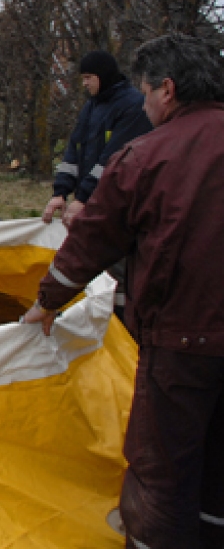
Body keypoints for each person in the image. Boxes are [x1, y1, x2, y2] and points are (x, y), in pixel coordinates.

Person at [23, 34, 224, 548]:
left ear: (167, 90)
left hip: (182, 342)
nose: (144, 103)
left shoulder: (146, 157)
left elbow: (91, 243)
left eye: (147, 92)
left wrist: (48, 301)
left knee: (163, 467)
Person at [42, 50, 152, 228]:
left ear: (103, 76)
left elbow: (114, 160)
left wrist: (83, 198)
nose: (84, 83)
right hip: (94, 202)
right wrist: (60, 192)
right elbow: (74, 150)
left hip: (119, 206)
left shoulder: (133, 107)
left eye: (88, 77)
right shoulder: (92, 106)